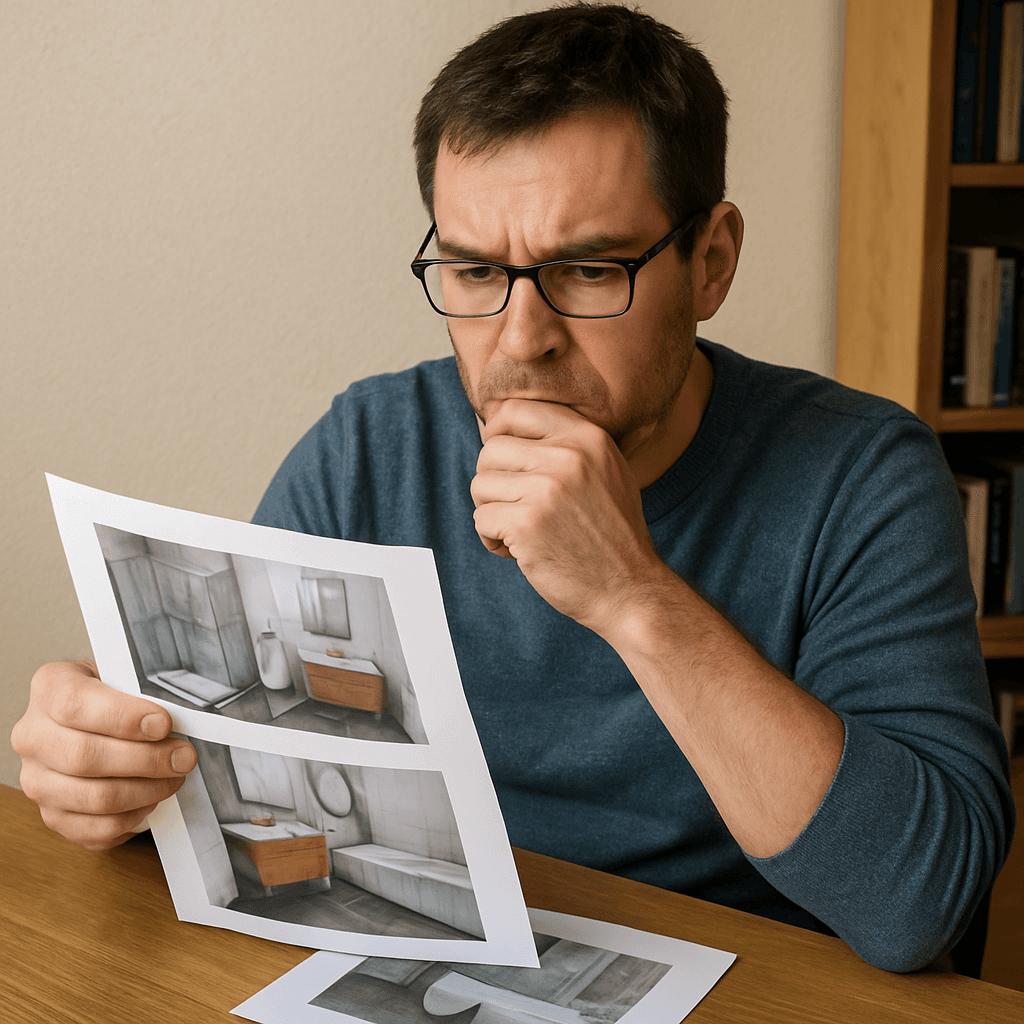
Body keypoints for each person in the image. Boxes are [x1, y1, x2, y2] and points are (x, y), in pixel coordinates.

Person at [11, 3, 1014, 973]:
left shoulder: (862, 471)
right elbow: (246, 792)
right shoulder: (368, 445)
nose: (521, 336)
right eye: (475, 271)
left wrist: (631, 595)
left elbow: (918, 904)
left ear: (709, 263)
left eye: (584, 268)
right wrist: (117, 771)